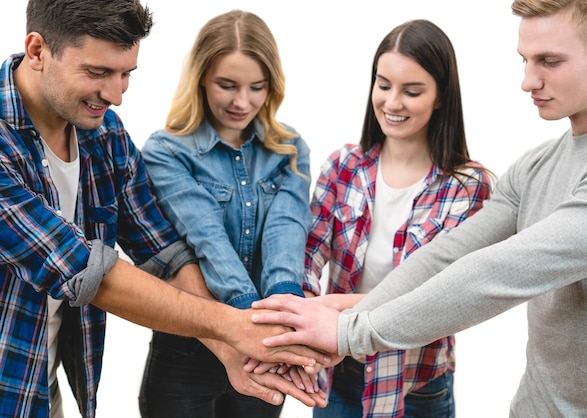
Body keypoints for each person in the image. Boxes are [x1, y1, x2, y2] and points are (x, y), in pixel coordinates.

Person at [252, 0, 587, 416]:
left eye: (549, 61)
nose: (527, 81)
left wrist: (350, 330)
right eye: (525, 60)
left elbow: (500, 271)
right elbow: (446, 256)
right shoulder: (535, 167)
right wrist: (348, 311)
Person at [0, 1, 327, 417]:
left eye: (125, 75)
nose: (116, 96)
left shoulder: (103, 134)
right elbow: (85, 271)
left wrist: (230, 351)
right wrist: (233, 325)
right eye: (98, 73)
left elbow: (163, 249)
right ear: (37, 50)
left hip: (32, 379)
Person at [299, 19, 491, 418]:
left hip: (417, 384)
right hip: (340, 374)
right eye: (383, 85)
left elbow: (443, 295)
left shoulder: (468, 187)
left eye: (412, 91)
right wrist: (301, 307)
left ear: (441, 97)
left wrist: (335, 314)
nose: (392, 102)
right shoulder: (343, 166)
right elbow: (308, 252)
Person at [138, 10, 312, 418]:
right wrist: (247, 313)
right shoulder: (166, 152)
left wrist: (283, 305)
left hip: (265, 347)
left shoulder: (289, 148)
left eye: (257, 87)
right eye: (227, 85)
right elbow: (206, 237)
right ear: (201, 77)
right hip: (187, 351)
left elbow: (286, 231)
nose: (242, 102)